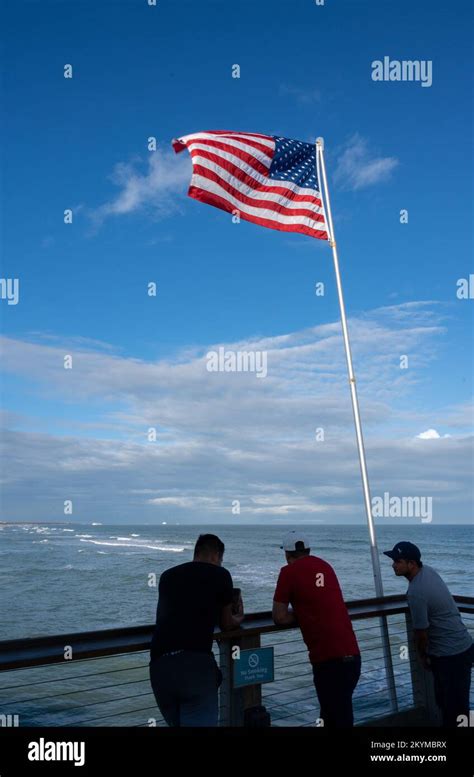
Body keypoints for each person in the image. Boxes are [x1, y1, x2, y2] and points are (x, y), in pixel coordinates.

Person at [149, 533, 244, 727]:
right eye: (221, 559)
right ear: (216, 555)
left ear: (196, 552)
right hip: (195, 667)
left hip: (160, 667)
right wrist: (238, 618)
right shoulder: (221, 574)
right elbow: (226, 623)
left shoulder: (168, 576)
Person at [272, 531, 361, 727]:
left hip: (328, 660)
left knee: (335, 716)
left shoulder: (288, 572)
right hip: (352, 655)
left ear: (287, 555)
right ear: (309, 550)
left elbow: (279, 616)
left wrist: (300, 615)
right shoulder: (325, 566)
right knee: (337, 713)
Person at [384, 541, 473, 728]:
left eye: (397, 561)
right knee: (458, 705)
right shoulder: (429, 572)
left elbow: (421, 633)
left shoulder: (417, 591)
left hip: (449, 655)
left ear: (411, 564)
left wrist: (422, 656)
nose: (393, 564)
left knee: (451, 709)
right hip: (463, 645)